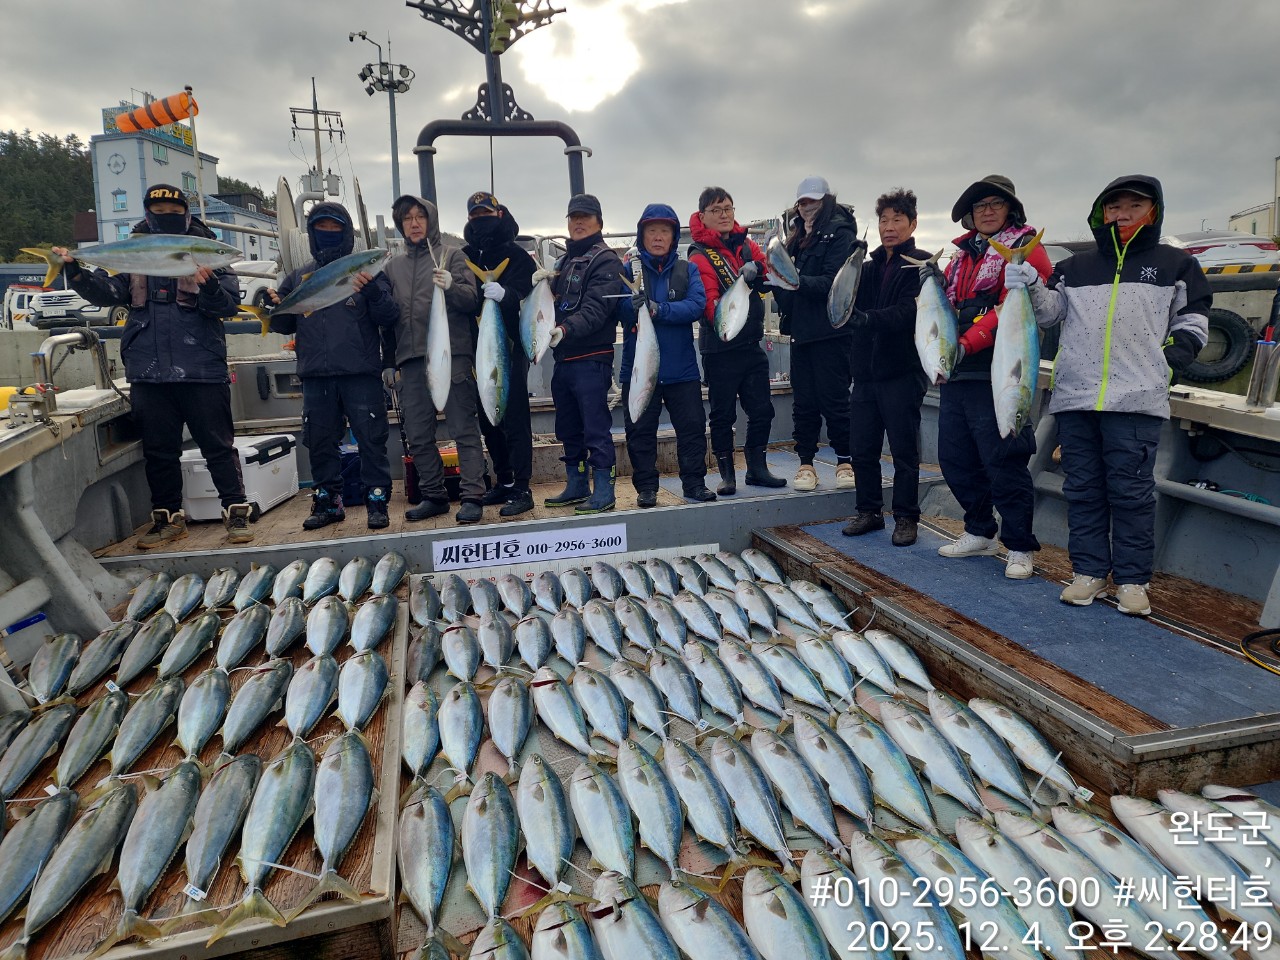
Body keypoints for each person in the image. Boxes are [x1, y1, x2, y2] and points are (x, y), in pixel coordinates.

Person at [1011, 175, 1210, 616]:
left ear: (1152, 211)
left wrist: (1170, 360)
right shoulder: (1076, 267)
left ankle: (1133, 580)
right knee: (1082, 490)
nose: (1121, 215)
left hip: (1137, 400)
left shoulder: (1176, 264)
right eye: (1114, 207)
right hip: (1076, 397)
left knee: (1132, 493)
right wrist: (1028, 284)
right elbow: (1049, 315)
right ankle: (1089, 573)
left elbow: (1194, 320)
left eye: (1133, 206)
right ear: (1102, 212)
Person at [52, 184, 254, 548]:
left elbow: (227, 306)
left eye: (174, 208)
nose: (167, 213)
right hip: (149, 369)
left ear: (186, 211)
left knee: (218, 446)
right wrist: (76, 272)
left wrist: (208, 288)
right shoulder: (134, 250)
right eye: (159, 208)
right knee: (159, 451)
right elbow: (108, 293)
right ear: (148, 211)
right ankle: (167, 520)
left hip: (202, 367)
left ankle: (236, 514)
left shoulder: (207, 250)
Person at [936, 174, 1052, 579]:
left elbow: (1007, 310)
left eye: (995, 204)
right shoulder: (959, 260)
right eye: (980, 206)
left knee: (1005, 461)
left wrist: (966, 342)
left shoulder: (1025, 253)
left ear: (1011, 210)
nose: (986, 211)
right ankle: (980, 531)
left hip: (1002, 373)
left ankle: (1019, 545)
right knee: (955, 460)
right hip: (958, 375)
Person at [268, 203, 397, 530]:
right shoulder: (298, 276)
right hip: (316, 374)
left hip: (360, 373)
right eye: (321, 227)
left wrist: (373, 293)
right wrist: (271, 305)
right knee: (320, 441)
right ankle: (327, 502)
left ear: (346, 231)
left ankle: (377, 501)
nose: (328, 233)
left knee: (371, 440)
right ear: (311, 233)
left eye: (334, 227)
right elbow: (283, 324)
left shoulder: (368, 272)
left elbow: (389, 316)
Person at [382, 195, 485, 525]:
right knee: (418, 434)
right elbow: (387, 320)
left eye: (420, 217)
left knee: (463, 430)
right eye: (407, 218)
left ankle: (472, 496)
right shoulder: (391, 267)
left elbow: (471, 300)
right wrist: (388, 361)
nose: (414, 223)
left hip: (451, 356)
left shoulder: (451, 256)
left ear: (431, 221)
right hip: (410, 360)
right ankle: (434, 496)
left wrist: (453, 286)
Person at [841, 188, 930, 547]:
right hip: (864, 376)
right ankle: (870, 511)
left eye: (897, 219)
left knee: (904, 451)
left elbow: (912, 311)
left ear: (912, 224)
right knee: (862, 449)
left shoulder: (923, 264)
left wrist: (868, 320)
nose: (889, 226)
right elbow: (845, 305)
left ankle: (906, 517)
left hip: (902, 373)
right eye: (883, 219)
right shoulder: (865, 267)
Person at [688, 186, 785, 494]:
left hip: (751, 345)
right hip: (720, 348)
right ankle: (727, 474)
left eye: (728, 208)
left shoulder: (746, 245)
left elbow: (769, 273)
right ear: (703, 216)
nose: (725, 214)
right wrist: (729, 312)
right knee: (722, 413)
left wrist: (757, 268)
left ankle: (757, 468)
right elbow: (709, 300)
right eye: (717, 210)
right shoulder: (699, 254)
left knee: (762, 410)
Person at [771, 176, 860, 491]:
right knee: (804, 403)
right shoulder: (794, 239)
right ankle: (806, 464)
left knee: (836, 400)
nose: (808, 207)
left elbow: (833, 284)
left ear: (827, 201)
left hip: (832, 333)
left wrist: (792, 280)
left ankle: (846, 462)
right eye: (803, 202)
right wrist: (772, 281)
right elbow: (785, 290)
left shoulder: (841, 234)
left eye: (814, 201)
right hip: (801, 334)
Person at [619, 203, 710, 506]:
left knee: (693, 429)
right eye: (652, 231)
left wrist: (659, 309)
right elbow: (615, 309)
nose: (658, 237)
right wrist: (628, 307)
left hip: (681, 369)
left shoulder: (688, 269)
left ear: (673, 237)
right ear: (641, 235)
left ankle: (695, 484)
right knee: (640, 432)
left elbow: (697, 305)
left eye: (664, 231)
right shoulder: (629, 270)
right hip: (640, 370)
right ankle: (646, 488)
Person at [543, 194, 623, 515]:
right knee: (568, 427)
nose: (578, 222)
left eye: (585, 217)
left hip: (591, 360)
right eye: (573, 217)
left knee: (595, 428)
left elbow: (596, 309)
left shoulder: (607, 261)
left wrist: (564, 329)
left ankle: (604, 489)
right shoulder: (563, 263)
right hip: (563, 361)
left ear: (599, 223)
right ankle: (576, 485)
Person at [462, 190, 537, 518]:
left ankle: (523, 486)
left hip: (509, 346)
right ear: (469, 220)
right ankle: (503, 480)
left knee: (516, 416)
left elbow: (532, 297)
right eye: (476, 216)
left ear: (500, 215)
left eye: (486, 215)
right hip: (477, 350)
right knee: (487, 416)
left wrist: (505, 295)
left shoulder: (519, 257)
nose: (482, 221)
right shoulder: (464, 257)